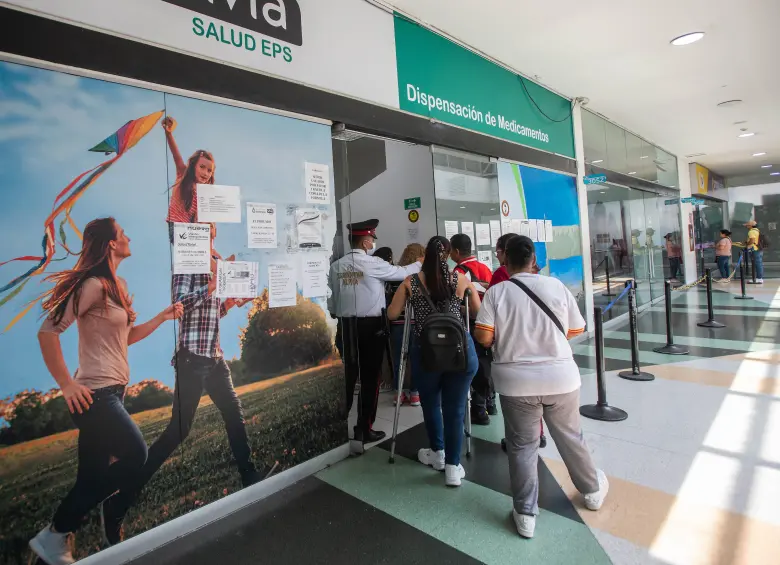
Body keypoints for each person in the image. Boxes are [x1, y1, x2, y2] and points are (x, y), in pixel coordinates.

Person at [29, 218, 183, 565]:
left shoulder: (117, 286)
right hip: (93, 396)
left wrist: (161, 317)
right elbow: (48, 332)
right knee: (136, 457)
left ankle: (47, 554)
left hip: (114, 393)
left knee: (90, 481)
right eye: (123, 233)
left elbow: (124, 338)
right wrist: (67, 384)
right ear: (111, 244)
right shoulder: (93, 285)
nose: (129, 237)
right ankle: (56, 531)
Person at [102, 223, 258, 546]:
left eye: (213, 233)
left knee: (233, 412)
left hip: (214, 358)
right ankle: (118, 503)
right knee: (177, 432)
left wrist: (230, 303)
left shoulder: (216, 265)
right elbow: (181, 305)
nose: (211, 238)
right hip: (190, 361)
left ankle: (250, 478)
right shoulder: (185, 266)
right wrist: (213, 286)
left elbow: (213, 313)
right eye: (206, 233)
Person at [474, 235, 608, 539]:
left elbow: (483, 336)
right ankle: (591, 490)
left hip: (515, 383)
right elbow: (576, 328)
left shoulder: (497, 293)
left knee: (522, 447)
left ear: (505, 261)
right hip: (561, 378)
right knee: (571, 436)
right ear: (534, 260)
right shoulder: (556, 286)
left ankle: (525, 514)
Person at [388, 236, 480, 487]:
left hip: (426, 352)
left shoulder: (411, 282)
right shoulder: (459, 279)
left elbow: (392, 314)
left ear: (425, 255)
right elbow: (476, 310)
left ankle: (437, 454)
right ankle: (453, 467)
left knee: (431, 404)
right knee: (456, 407)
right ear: (448, 255)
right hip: (461, 352)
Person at [328, 219, 423, 444]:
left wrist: (336, 312)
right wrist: (420, 262)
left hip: (345, 326)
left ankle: (337, 430)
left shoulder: (336, 266)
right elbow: (401, 272)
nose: (372, 243)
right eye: (371, 239)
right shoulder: (372, 263)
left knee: (347, 378)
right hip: (370, 328)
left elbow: (330, 298)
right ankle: (364, 429)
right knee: (370, 378)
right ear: (367, 241)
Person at [490, 233, 547, 451]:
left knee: (515, 401)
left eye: (499, 250)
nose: (497, 255)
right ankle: (539, 434)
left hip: (512, 348)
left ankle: (519, 438)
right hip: (540, 346)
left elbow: (491, 317)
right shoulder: (539, 276)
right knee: (536, 397)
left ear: (507, 253)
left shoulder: (500, 276)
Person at [450, 233, 494, 424]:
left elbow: (456, 301)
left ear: (456, 251)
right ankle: (490, 402)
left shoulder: (459, 273)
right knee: (487, 363)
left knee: (474, 364)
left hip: (471, 323)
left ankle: (478, 408)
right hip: (489, 322)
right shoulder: (485, 268)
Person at [387, 243, 426, 407]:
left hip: (398, 323)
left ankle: (398, 393)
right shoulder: (422, 275)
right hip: (416, 322)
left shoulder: (396, 274)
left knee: (398, 359)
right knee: (416, 359)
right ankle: (415, 394)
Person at [162, 116, 215, 229]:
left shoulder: (204, 192)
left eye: (209, 170)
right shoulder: (183, 174)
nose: (205, 173)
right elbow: (176, 154)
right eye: (202, 167)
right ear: (193, 166)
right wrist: (169, 133)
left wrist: (211, 226)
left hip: (191, 230)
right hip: (177, 227)